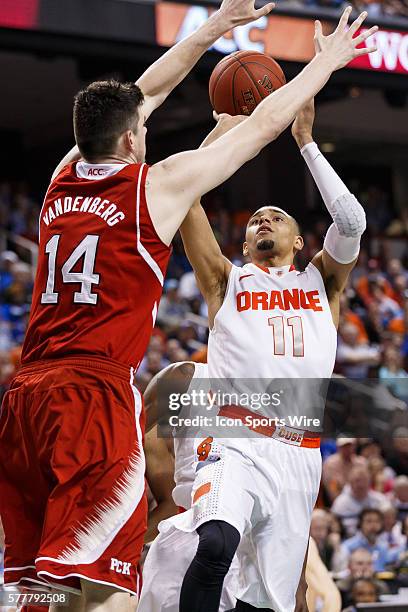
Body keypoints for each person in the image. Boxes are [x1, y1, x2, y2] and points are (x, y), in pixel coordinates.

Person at [173, 25, 378, 607]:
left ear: (296, 236)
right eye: (254, 219)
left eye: (275, 216)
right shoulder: (225, 279)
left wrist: (307, 142)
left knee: (266, 601)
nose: (262, 221)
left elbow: (354, 223)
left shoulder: (323, 280)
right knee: (213, 544)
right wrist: (223, 133)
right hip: (234, 439)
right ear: (242, 243)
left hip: (299, 451)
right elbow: (183, 194)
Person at [139, 361, 240, 612]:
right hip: (189, 531)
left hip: (247, 542)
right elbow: (129, 436)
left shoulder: (277, 393)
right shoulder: (187, 376)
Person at [332, 466, 387, 536]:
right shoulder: (340, 503)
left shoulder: (380, 500)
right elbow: (334, 526)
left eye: (364, 480)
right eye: (357, 481)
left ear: (370, 482)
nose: (361, 485)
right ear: (350, 483)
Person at [322, 437, 367, 502]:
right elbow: (331, 486)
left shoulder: (361, 462)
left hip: (360, 498)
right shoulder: (330, 463)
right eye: (344, 446)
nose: (347, 449)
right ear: (338, 448)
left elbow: (366, 482)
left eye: (349, 446)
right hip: (337, 499)